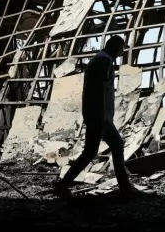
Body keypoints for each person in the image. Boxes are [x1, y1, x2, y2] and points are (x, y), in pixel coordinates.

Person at [53, 35, 137, 198]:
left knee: (91, 152)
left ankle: (63, 185)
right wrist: (104, 117)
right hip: (99, 116)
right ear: (115, 47)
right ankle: (125, 187)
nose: (121, 52)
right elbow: (100, 90)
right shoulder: (104, 61)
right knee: (114, 145)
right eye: (121, 49)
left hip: (96, 115)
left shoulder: (99, 59)